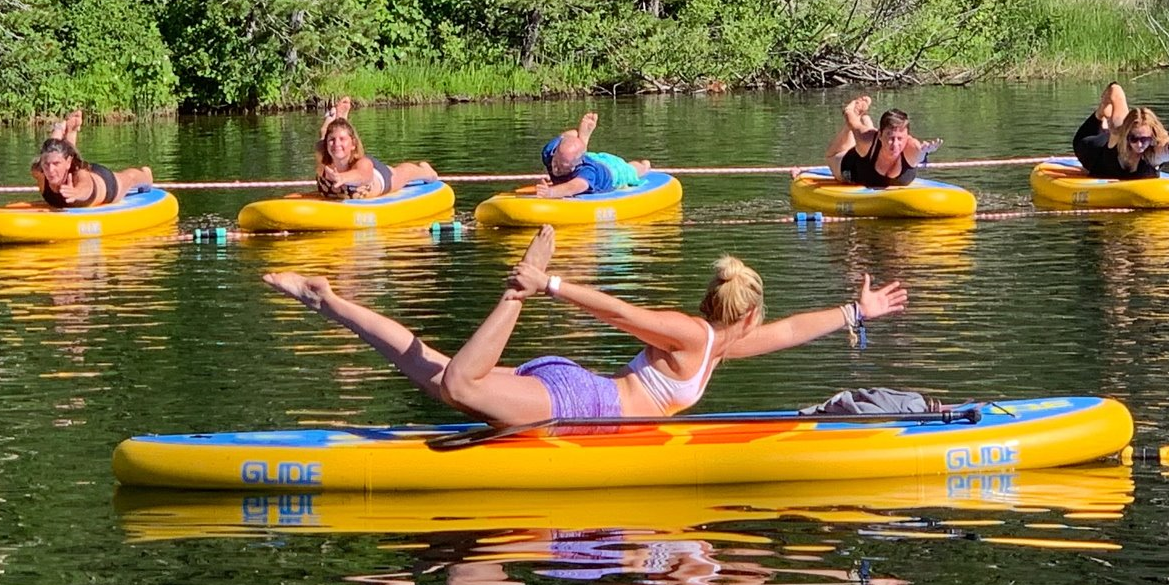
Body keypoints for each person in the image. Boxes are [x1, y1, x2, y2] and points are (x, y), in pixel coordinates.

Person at [263, 227, 908, 425]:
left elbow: (793, 330)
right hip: (579, 401)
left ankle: (328, 302)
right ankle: (515, 292)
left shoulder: (718, 346)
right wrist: (546, 285)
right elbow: (623, 314)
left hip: (576, 393)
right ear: (748, 312)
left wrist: (856, 313)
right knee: (458, 384)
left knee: (431, 368)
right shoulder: (692, 337)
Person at [314, 98, 439, 200]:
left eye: (341, 139)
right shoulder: (323, 156)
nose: (336, 143)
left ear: (353, 144)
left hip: (378, 180)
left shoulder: (363, 163)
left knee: (401, 174)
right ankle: (340, 120)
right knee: (326, 136)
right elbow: (323, 133)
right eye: (332, 140)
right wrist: (330, 120)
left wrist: (342, 178)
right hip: (343, 167)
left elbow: (363, 176)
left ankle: (427, 171)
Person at [31, 109, 153, 209]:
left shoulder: (80, 175)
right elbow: (50, 151)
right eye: (46, 165)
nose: (50, 170)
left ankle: (146, 174)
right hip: (71, 164)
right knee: (54, 154)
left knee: (130, 178)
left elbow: (86, 186)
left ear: (67, 162)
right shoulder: (40, 173)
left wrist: (76, 192)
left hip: (105, 183)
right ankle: (69, 132)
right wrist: (58, 130)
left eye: (56, 164)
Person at [1072, 82, 1169, 181]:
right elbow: (1115, 89)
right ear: (1127, 135)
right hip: (1089, 148)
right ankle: (1101, 112)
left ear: (1151, 137)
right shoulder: (1119, 132)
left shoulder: (1153, 153)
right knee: (1115, 120)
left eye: (1144, 139)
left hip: (1110, 138)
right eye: (1134, 138)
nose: (1139, 144)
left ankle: (1104, 118)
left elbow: (1164, 152)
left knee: (1115, 125)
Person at [816, 95, 936, 189]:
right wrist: (849, 110)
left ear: (907, 136)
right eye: (890, 138)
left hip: (872, 143)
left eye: (900, 139)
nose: (895, 145)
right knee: (832, 156)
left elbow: (919, 151)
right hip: (854, 165)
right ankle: (862, 119)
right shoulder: (866, 139)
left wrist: (923, 152)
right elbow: (853, 122)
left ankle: (868, 123)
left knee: (870, 135)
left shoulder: (911, 146)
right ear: (880, 135)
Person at [535, 112, 650, 199]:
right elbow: (568, 135)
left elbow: (576, 186)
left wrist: (550, 192)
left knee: (629, 170)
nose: (555, 169)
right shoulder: (550, 151)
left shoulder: (586, 171)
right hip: (582, 156)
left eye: (562, 167)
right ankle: (582, 142)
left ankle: (644, 165)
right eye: (555, 163)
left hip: (608, 171)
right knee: (572, 142)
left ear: (576, 165)